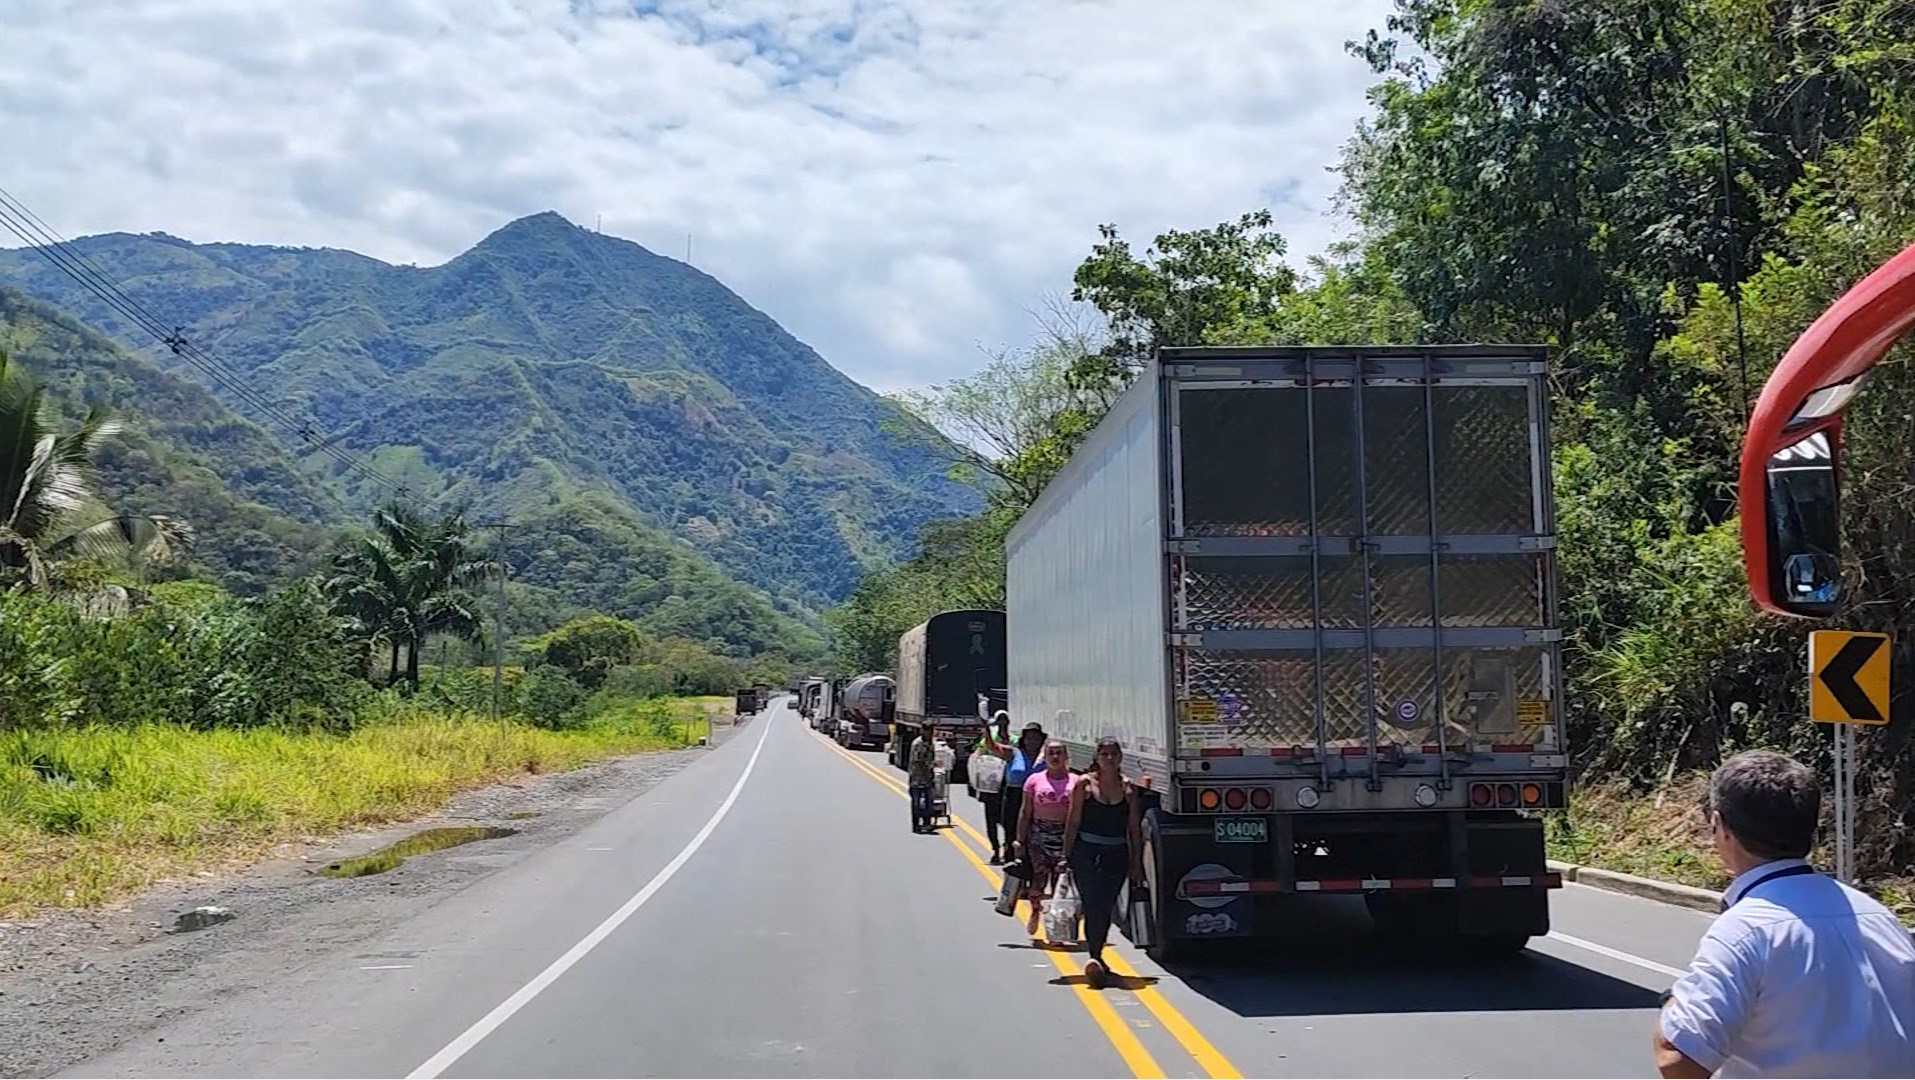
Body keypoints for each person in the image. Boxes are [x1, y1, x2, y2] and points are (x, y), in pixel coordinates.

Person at [1655, 749, 1914, 1078]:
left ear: (1719, 825)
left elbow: (1678, 1061)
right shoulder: (1880, 917)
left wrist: (1673, 1002)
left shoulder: (1746, 929)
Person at [1063, 737, 1143, 986]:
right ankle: (1094, 956)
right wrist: (1065, 856)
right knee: (1093, 902)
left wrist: (1137, 862)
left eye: (1114, 754)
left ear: (1120, 757)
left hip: (1116, 853)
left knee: (1107, 906)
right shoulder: (1084, 785)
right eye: (1104, 754)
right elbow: (1073, 821)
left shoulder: (1128, 788)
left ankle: (1097, 953)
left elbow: (1133, 829)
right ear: (1097, 757)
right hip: (1087, 852)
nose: (1109, 759)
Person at [1016, 739, 1075, 938]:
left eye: (1059, 753)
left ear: (1066, 756)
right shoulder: (1034, 780)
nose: (1055, 757)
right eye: (1051, 753)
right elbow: (1025, 812)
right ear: (1045, 757)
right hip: (1038, 837)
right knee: (1039, 879)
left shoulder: (1076, 782)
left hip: (1065, 838)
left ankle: (1058, 929)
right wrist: (1020, 840)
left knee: (1061, 884)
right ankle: (1035, 911)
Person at [991, 719, 1047, 862]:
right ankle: (1010, 859)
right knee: (1011, 829)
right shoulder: (1014, 753)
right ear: (1024, 740)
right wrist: (986, 728)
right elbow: (992, 747)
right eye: (1029, 738)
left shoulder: (1046, 757)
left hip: (1036, 798)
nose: (1032, 741)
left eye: (1036, 738)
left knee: (1032, 833)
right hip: (1014, 796)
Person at [973, 712, 1012, 863]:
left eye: (1005, 720)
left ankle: (1007, 848)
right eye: (1000, 720)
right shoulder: (990, 738)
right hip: (990, 783)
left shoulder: (1014, 739)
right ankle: (995, 849)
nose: (1002, 723)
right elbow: (981, 751)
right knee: (991, 820)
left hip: (1006, 785)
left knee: (1007, 820)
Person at [908, 724, 940, 834]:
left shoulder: (930, 742)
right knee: (916, 803)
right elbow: (918, 760)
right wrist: (931, 764)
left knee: (929, 802)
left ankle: (927, 823)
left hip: (928, 777)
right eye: (928, 731)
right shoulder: (918, 743)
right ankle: (916, 825)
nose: (930, 733)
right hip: (917, 777)